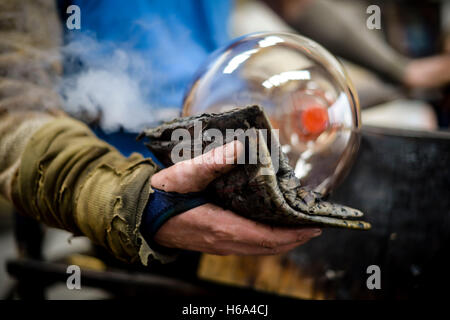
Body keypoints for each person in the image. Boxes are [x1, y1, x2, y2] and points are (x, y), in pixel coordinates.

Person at [0, 0, 321, 266]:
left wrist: (369, 64)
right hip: (129, 183)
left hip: (234, 166)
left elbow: (298, 6)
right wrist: (136, 201)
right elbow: (11, 105)